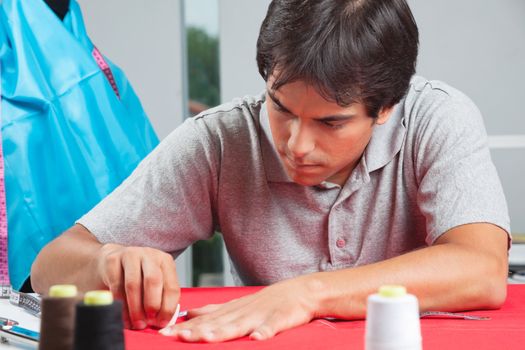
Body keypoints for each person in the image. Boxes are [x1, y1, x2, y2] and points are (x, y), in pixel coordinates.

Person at [31, 0, 510, 343]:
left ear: (386, 107)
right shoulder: (220, 141)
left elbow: (481, 269)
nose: (296, 145)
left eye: (330, 122)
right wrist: (105, 262)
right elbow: (49, 266)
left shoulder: (437, 118)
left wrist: (305, 295)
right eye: (280, 108)